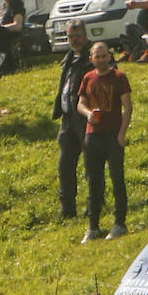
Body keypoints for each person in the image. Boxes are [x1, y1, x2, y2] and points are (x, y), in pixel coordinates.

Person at [76, 42, 132, 242]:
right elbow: (80, 103)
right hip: (93, 134)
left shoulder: (119, 77)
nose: (100, 60)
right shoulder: (88, 78)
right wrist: (88, 114)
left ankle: (120, 223)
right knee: (94, 181)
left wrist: (122, 133)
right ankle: (93, 227)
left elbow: (128, 107)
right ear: (91, 58)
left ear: (109, 56)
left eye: (103, 56)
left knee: (117, 179)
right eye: (96, 57)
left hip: (112, 134)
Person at [53, 20, 93, 221]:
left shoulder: (94, 57)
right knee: (65, 165)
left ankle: (94, 205)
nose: (74, 40)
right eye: (70, 36)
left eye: (77, 35)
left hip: (86, 118)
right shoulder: (68, 58)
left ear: (85, 35)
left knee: (91, 164)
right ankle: (67, 209)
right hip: (68, 118)